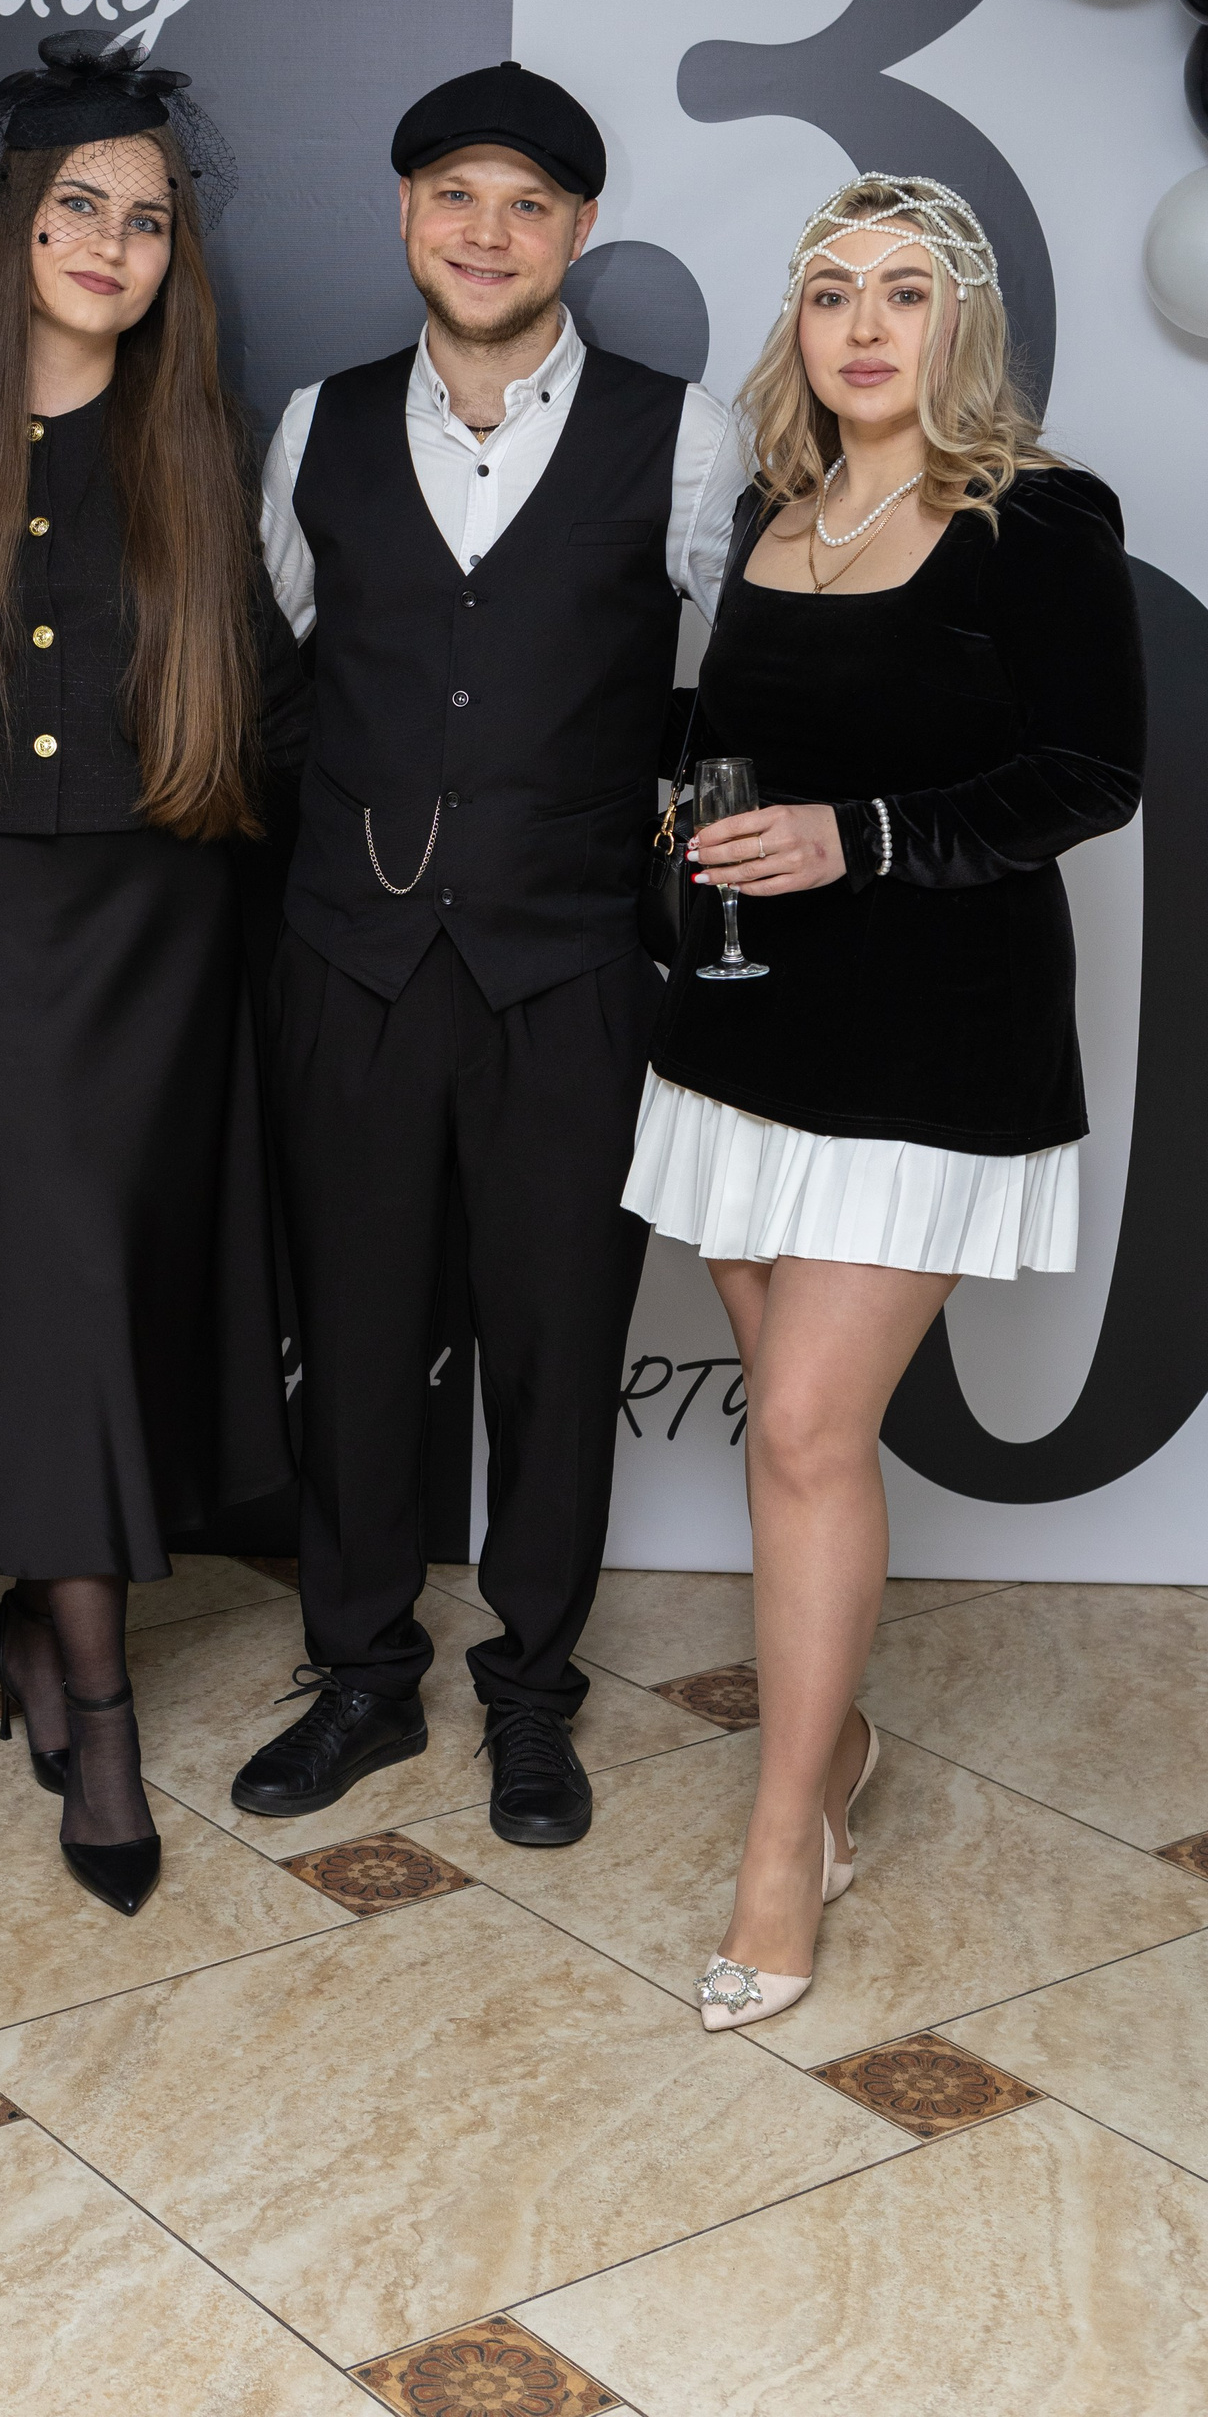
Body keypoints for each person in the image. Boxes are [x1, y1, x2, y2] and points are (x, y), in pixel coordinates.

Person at [620, 173, 1144, 2030]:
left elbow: (1090, 773)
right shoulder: (777, 509)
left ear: (961, 322)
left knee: (803, 1432)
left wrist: (866, 838)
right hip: (748, 1036)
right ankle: (834, 1753)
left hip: (933, 1044)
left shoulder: (1038, 518)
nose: (865, 325)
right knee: (792, 1436)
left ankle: (784, 1845)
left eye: (906, 292)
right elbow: (729, 743)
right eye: (833, 289)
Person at [232, 60, 746, 1846]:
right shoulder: (316, 425)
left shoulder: (686, 438)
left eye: (528, 204)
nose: (487, 231)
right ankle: (363, 1678)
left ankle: (533, 1695)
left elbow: (750, 680)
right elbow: (286, 676)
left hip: (571, 977)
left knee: (557, 1350)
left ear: (580, 231)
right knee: (357, 1343)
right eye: (456, 194)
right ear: (404, 212)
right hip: (351, 967)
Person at [0, 31, 307, 1918]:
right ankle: (98, 1712)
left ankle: (41, 1616)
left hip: (162, 922)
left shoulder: (213, 443)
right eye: (79, 207)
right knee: (47, 1270)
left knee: (110, 1287)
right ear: (15, 219)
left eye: (148, 221)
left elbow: (281, 700)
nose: (111, 245)